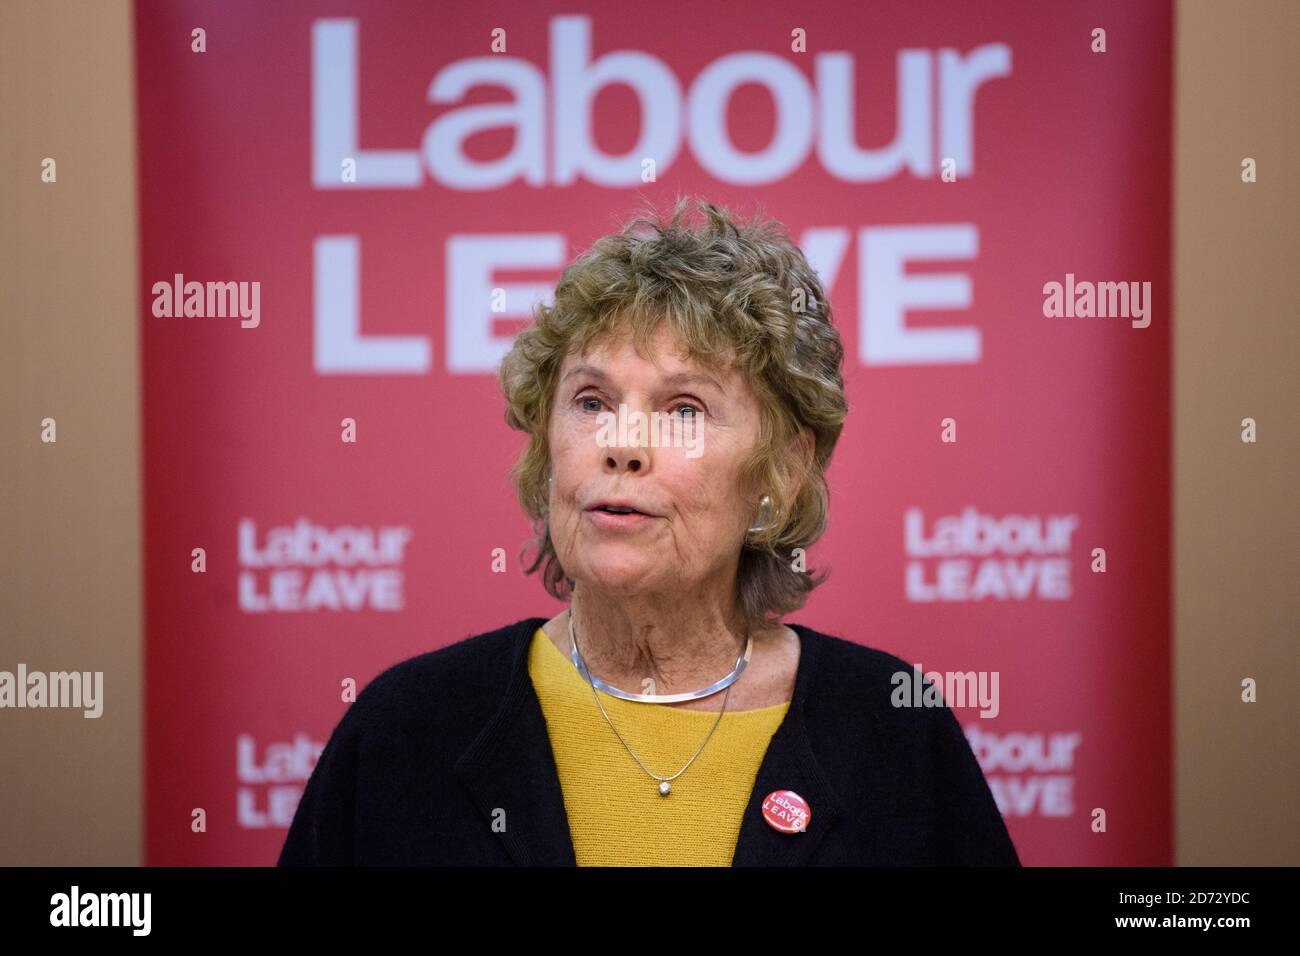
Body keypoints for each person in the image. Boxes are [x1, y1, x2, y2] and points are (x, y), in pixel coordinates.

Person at [278, 196, 1020, 866]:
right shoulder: (409, 730)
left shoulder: (893, 731)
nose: (621, 443)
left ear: (782, 471)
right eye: (592, 400)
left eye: (684, 410)